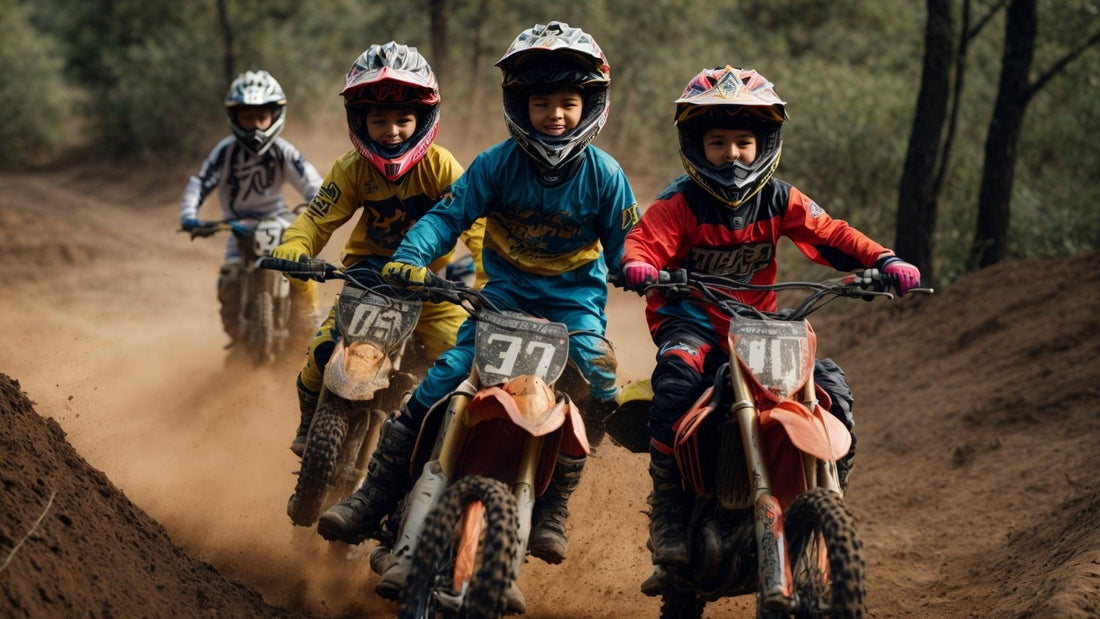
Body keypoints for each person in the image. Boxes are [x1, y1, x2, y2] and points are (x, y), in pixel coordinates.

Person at [316, 21, 640, 606]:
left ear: (590, 105)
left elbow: (627, 243)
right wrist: (412, 255)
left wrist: (639, 267)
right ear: (520, 104)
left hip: (572, 314)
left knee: (600, 380)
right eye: (542, 103)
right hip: (496, 305)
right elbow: (446, 216)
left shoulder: (606, 176)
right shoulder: (495, 165)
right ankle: (374, 498)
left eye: (569, 103)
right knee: (437, 383)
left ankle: (554, 503)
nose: (557, 116)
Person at [618, 65, 922, 594]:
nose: (732, 153)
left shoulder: (780, 199)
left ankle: (823, 494)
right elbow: (644, 242)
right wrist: (639, 266)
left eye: (743, 141)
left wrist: (886, 259)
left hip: (760, 328)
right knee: (674, 378)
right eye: (718, 142)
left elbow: (831, 235)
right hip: (693, 326)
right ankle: (668, 511)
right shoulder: (680, 203)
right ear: (696, 145)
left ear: (765, 145)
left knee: (832, 387)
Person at [270, 42, 484, 462]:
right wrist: (295, 245)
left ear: (421, 120)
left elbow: (479, 229)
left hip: (432, 290)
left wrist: (493, 276)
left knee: (462, 366)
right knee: (319, 357)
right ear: (359, 120)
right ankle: (309, 422)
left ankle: (440, 453)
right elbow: (316, 218)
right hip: (367, 280)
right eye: (379, 120)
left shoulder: (442, 167)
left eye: (403, 120)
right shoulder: (352, 168)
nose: (392, 131)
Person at [180, 70, 324, 350]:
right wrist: (189, 216)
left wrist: (320, 208)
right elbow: (200, 182)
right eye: (247, 117)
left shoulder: (284, 151)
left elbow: (312, 183)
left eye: (262, 117)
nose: (256, 125)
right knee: (229, 280)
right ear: (235, 118)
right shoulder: (225, 152)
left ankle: (306, 322)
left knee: (301, 270)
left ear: (274, 116)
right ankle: (238, 337)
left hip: (279, 223)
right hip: (238, 229)